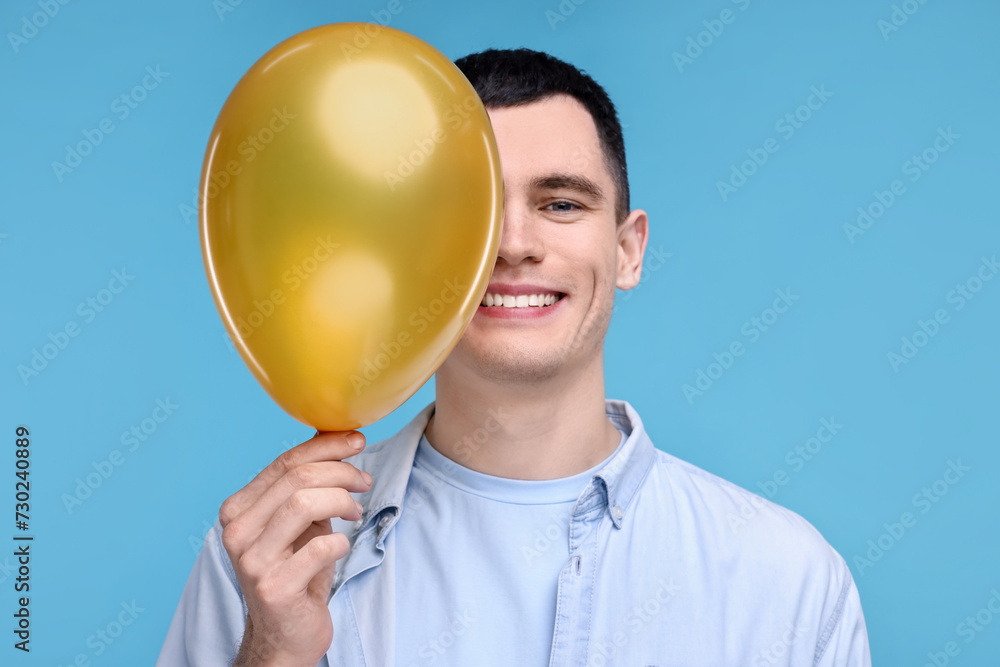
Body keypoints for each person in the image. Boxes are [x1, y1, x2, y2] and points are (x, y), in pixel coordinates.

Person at [158, 48, 871, 667]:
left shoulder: (787, 577)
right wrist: (274, 652)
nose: (513, 244)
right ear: (400, 243)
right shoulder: (273, 556)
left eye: (561, 203)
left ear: (628, 250)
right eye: (468, 206)